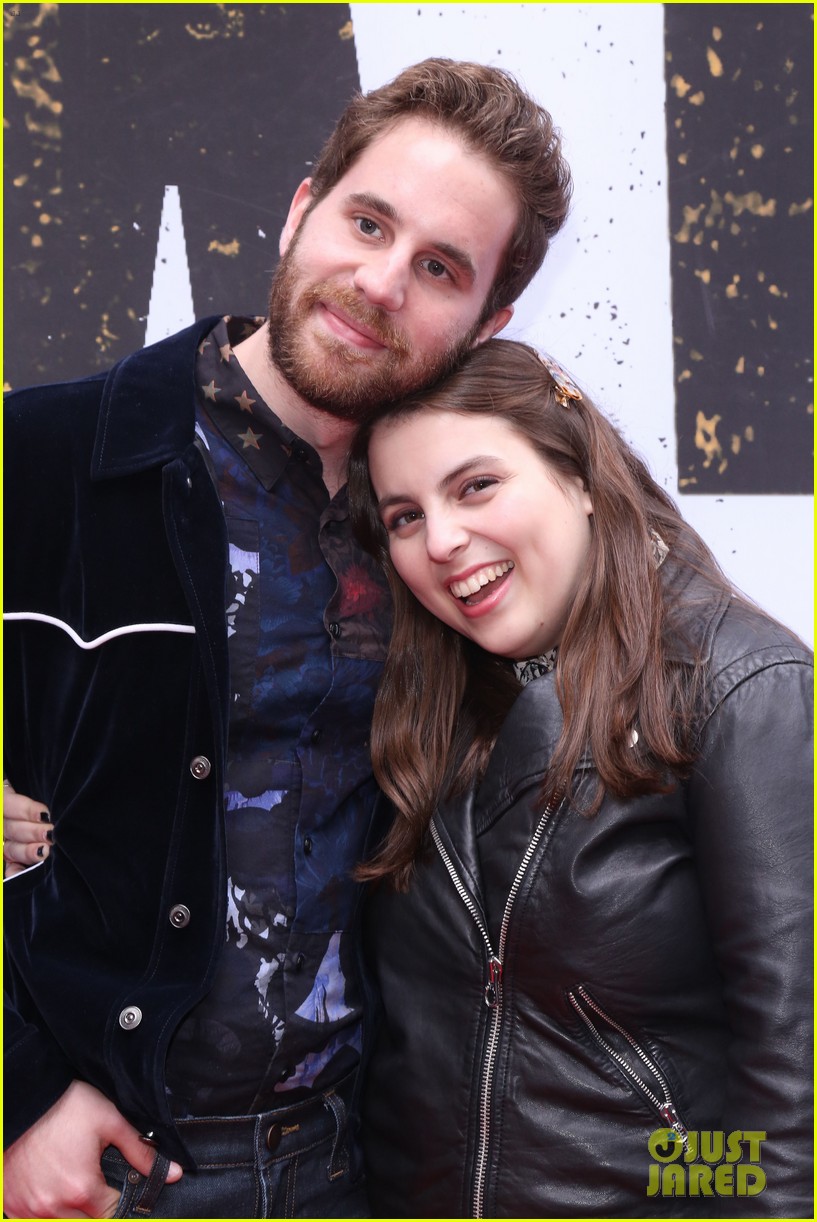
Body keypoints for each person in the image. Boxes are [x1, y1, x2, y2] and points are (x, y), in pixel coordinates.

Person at [2, 60, 572, 1218]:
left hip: (354, 1162)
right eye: (367, 222)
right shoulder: (44, 456)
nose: (378, 283)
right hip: (95, 1163)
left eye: (439, 268)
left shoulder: (445, 535)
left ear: (488, 321)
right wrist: (17, 1100)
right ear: (302, 205)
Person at [345, 339, 813, 1218]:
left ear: (581, 478)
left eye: (475, 485)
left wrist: (666, 1196)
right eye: (403, 516)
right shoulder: (423, 698)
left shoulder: (740, 687)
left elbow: (792, 1086)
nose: (442, 540)